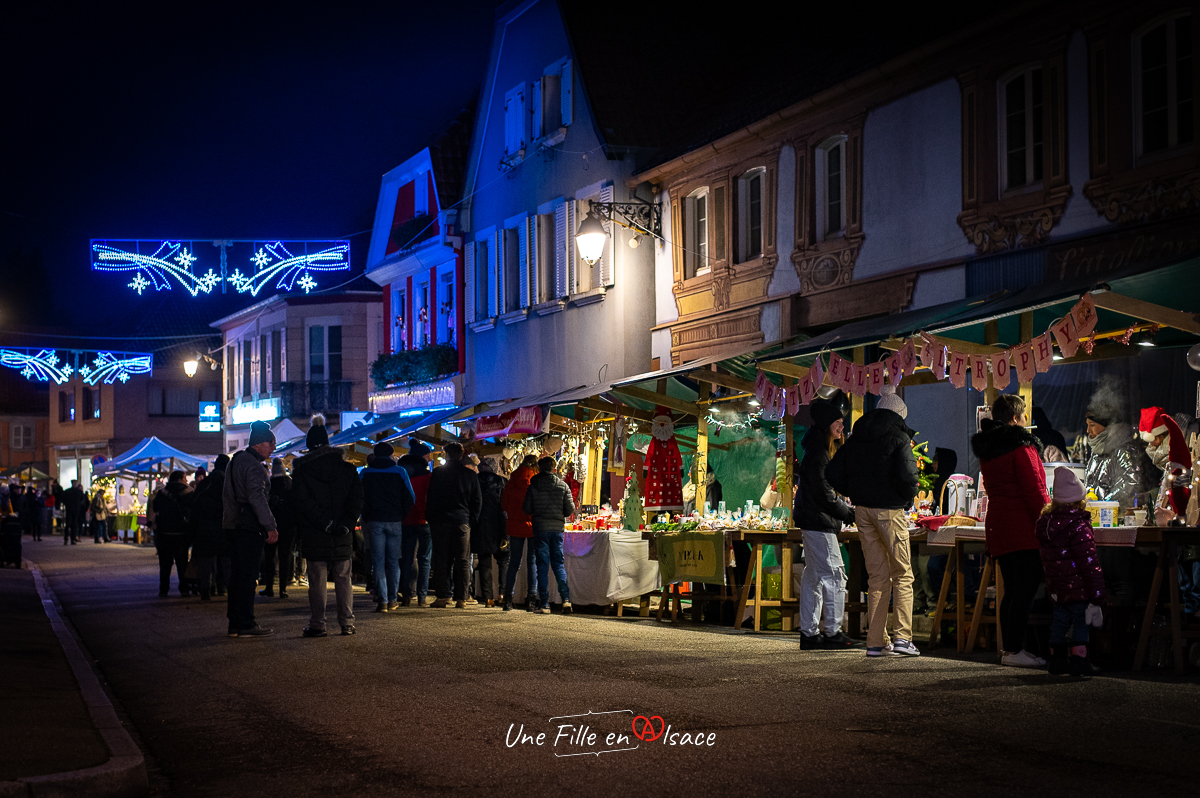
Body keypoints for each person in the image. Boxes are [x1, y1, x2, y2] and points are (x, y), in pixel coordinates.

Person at [826, 385, 920, 657]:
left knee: (877, 577)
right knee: (902, 574)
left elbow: (832, 472)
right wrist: (903, 496)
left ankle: (875, 642)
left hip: (863, 511)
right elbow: (909, 478)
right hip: (890, 510)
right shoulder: (899, 436)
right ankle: (903, 639)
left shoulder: (857, 436)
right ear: (899, 415)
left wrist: (854, 491)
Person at [971, 393, 1050, 668]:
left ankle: (1010, 649)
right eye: (1024, 415)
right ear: (1016, 418)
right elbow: (1035, 490)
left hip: (999, 526)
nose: (1027, 420)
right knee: (1024, 591)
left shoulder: (989, 450)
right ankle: (1016, 650)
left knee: (1011, 590)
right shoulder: (1022, 447)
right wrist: (1049, 518)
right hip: (1023, 528)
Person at [795, 390, 858, 649]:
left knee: (813, 577)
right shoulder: (819, 455)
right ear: (826, 426)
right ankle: (832, 632)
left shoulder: (816, 452)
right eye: (837, 422)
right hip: (818, 523)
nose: (842, 425)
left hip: (812, 521)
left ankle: (809, 633)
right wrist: (849, 513)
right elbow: (824, 493)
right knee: (834, 575)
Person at [291, 414, 364, 637]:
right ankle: (347, 623)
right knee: (344, 578)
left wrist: (325, 524)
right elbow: (357, 499)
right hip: (343, 532)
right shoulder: (348, 470)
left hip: (316, 532)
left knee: (317, 580)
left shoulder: (302, 471)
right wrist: (347, 523)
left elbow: (302, 502)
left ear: (310, 445)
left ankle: (318, 624)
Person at [1035, 467, 1105, 677]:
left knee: (1059, 621)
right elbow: (1089, 562)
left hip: (1056, 587)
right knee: (1081, 622)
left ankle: (1057, 660)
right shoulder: (1078, 525)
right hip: (1079, 588)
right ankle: (1079, 661)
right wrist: (1098, 595)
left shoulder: (1046, 524)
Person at [222, 421, 278, 637]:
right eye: (271, 444)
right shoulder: (254, 466)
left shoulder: (235, 460)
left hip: (233, 525)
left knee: (236, 577)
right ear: (259, 444)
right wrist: (270, 525)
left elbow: (228, 496)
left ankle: (234, 623)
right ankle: (246, 623)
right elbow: (257, 497)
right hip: (249, 527)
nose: (273, 448)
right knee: (247, 577)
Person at [361, 441, 415, 613]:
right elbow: (410, 497)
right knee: (393, 561)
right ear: (391, 454)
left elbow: (359, 498)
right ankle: (392, 599)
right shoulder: (400, 471)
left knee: (378, 562)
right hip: (394, 521)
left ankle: (382, 601)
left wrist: (367, 516)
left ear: (375, 455)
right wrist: (400, 515)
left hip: (375, 521)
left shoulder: (365, 473)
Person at [425, 442, 481, 609]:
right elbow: (477, 500)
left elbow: (431, 498)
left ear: (446, 454)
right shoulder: (470, 475)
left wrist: (431, 518)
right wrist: (472, 520)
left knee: (442, 559)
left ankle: (443, 596)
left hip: (441, 522)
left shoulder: (438, 473)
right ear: (462, 454)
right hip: (462, 521)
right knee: (463, 560)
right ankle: (461, 598)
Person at [522, 457, 575, 615]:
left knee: (542, 567)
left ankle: (544, 604)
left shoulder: (533, 486)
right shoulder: (563, 486)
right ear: (554, 468)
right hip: (557, 529)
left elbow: (526, 508)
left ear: (539, 468)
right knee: (558, 565)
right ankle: (566, 600)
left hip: (540, 529)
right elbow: (569, 510)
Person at [501, 455, 539, 612]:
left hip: (515, 524)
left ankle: (508, 599)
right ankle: (531, 600)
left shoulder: (511, 481)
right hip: (532, 525)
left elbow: (504, 504)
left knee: (514, 562)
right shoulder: (536, 480)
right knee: (532, 563)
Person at [399, 439, 433, 607]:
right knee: (424, 559)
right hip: (425, 520)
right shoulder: (428, 476)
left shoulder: (403, 475)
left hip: (406, 520)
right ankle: (422, 597)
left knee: (407, 558)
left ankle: (406, 595)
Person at [471, 457, 509, 608]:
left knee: (484, 561)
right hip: (499, 525)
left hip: (480, 525)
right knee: (503, 560)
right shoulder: (502, 482)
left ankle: (487, 598)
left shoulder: (475, 481)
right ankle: (502, 594)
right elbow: (505, 506)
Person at [191, 454, 230, 601]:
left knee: (206, 561)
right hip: (224, 529)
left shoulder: (204, 486)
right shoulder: (228, 486)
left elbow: (195, 509)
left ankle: (206, 589)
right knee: (225, 561)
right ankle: (224, 588)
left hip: (205, 530)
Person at [151, 471, 193, 597]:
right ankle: (184, 588)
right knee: (182, 563)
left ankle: (164, 588)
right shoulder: (189, 493)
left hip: (164, 533)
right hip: (181, 533)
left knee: (165, 563)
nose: (186, 481)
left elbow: (156, 507)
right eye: (185, 478)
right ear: (180, 479)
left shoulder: (162, 492)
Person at [261, 459, 297, 599]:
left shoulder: (268, 484)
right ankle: (283, 589)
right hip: (288, 526)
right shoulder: (290, 484)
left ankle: (269, 587)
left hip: (271, 525)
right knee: (285, 556)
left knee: (269, 556)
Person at [62, 479, 84, 545]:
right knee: (69, 524)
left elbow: (82, 500)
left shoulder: (77, 492)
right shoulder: (69, 492)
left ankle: (72, 539)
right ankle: (67, 539)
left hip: (74, 510)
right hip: (71, 510)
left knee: (73, 525)